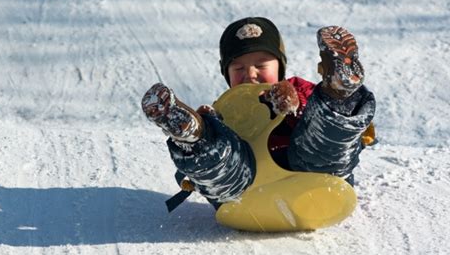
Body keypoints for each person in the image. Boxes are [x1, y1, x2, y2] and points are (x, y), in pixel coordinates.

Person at [142, 17, 376, 210]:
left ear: (280, 67)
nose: (250, 74)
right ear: (227, 73)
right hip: (247, 193)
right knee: (221, 158)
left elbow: (313, 114)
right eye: (238, 68)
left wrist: (295, 103)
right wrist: (209, 128)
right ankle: (194, 137)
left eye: (261, 65)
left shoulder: (298, 88)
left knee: (323, 139)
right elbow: (190, 176)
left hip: (313, 177)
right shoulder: (224, 109)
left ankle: (339, 92)